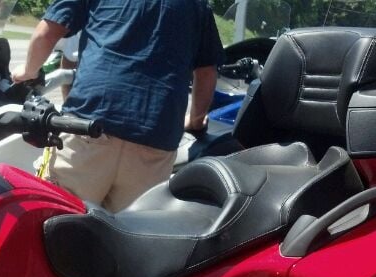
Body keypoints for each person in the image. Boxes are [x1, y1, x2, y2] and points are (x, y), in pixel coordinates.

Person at [13, 0, 223, 212]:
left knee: (57, 223)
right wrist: (196, 120)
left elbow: (47, 33)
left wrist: (28, 71)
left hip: (89, 127)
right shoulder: (197, 6)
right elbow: (206, 72)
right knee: (127, 238)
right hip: (154, 140)